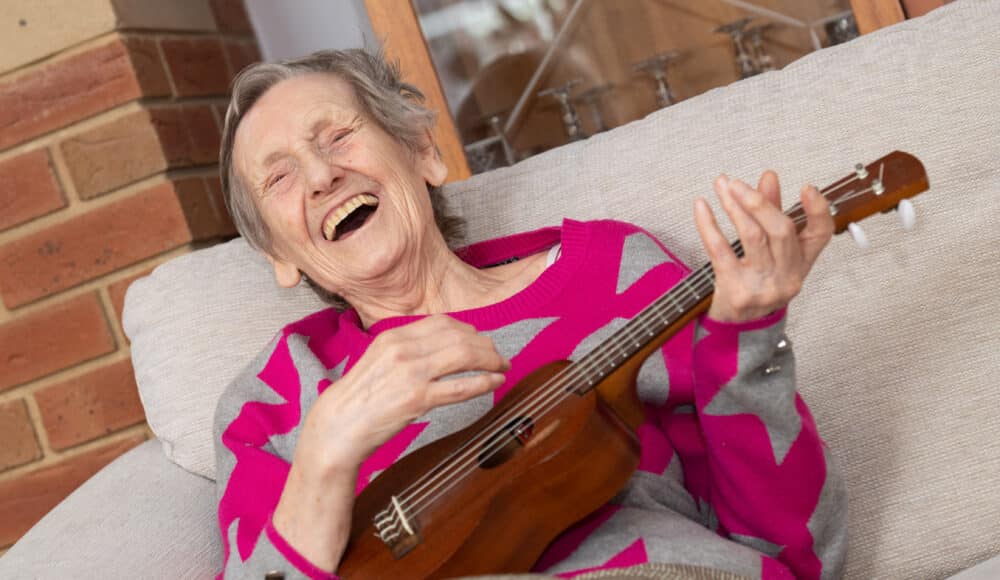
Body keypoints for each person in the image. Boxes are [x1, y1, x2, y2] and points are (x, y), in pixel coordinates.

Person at [213, 48, 847, 580]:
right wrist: (326, 451)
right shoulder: (275, 401)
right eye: (280, 179)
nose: (322, 176)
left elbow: (791, 553)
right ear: (277, 254)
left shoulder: (612, 271)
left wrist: (750, 341)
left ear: (421, 152)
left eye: (339, 136)